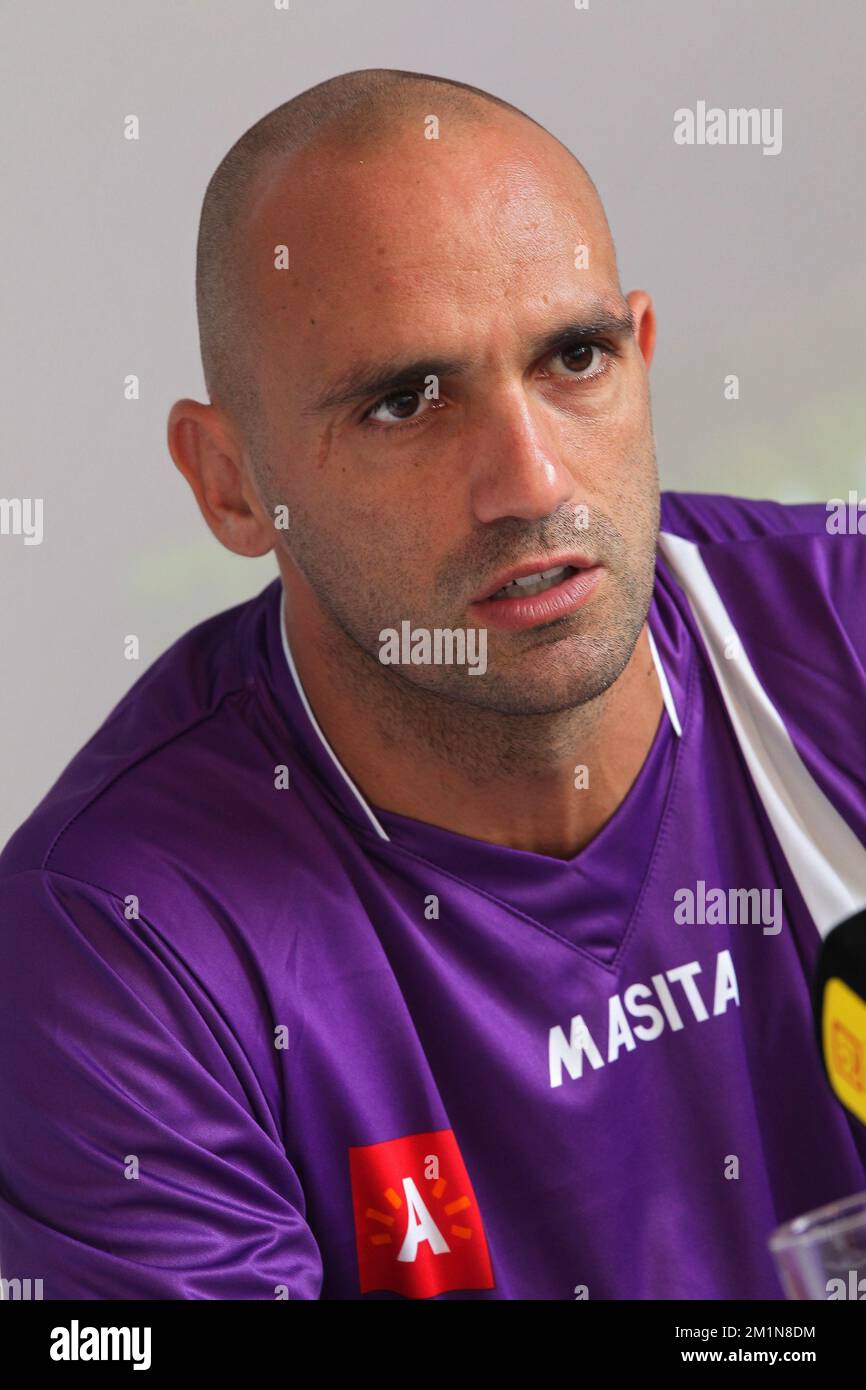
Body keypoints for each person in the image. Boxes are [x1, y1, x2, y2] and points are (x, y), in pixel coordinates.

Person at [1, 67, 865, 1301]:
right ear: (232, 484)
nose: (529, 481)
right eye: (406, 401)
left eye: (574, 358)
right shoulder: (119, 937)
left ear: (642, 354)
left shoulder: (843, 637)